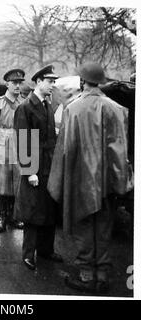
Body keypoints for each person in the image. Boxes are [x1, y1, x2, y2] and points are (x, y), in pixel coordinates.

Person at [47, 62, 130, 293]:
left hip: (80, 180)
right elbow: (120, 149)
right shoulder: (116, 108)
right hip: (107, 182)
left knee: (83, 227)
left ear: (82, 81)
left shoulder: (73, 109)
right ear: (101, 81)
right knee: (103, 227)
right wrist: (121, 181)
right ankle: (101, 275)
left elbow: (65, 149)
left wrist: (60, 181)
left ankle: (86, 276)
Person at [14, 65, 63, 271]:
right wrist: (29, 171)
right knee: (33, 211)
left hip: (49, 165)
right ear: (39, 81)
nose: (53, 85)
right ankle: (28, 253)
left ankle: (46, 250)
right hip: (35, 166)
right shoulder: (26, 107)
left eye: (54, 82)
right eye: (50, 81)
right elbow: (23, 141)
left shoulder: (46, 105)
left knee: (48, 207)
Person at [0, 69, 25, 233]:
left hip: (17, 146)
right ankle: (2, 218)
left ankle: (13, 217)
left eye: (19, 83)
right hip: (1, 146)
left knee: (15, 182)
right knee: (2, 184)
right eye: (14, 83)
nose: (17, 86)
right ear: (7, 84)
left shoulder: (22, 104)